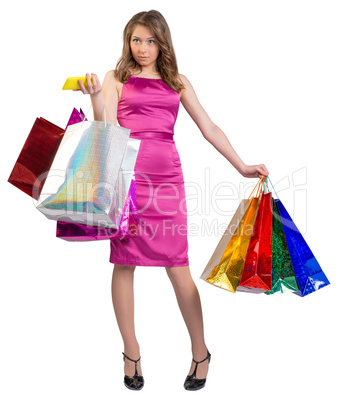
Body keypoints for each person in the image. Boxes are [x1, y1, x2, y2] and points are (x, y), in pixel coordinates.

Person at [75, 9, 269, 391]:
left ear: (162, 42)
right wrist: (97, 97)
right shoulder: (116, 78)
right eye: (136, 40)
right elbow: (107, 128)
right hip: (126, 180)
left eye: (150, 40)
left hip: (166, 183)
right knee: (124, 263)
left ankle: (200, 352)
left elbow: (209, 127)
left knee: (177, 265)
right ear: (127, 41)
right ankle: (131, 352)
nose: (143, 48)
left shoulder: (177, 82)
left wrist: (242, 165)